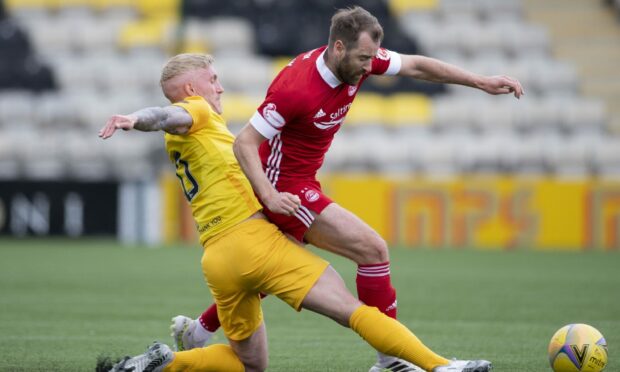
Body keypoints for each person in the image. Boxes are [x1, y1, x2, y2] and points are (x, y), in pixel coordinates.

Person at [173, 5, 523, 372]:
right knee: (371, 249)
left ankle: (199, 331)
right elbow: (245, 142)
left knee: (272, 268)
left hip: (302, 181)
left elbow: (417, 66)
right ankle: (391, 360)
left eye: (373, 57)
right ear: (338, 47)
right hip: (282, 186)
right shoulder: (296, 87)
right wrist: (272, 196)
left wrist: (480, 81)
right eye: (363, 58)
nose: (370, 67)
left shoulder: (363, 59)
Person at [98, 53, 492, 372]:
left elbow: (174, 125)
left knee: (249, 365)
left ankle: (163, 364)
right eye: (212, 78)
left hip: (217, 259)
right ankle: (438, 367)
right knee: (351, 308)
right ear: (190, 89)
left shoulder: (188, 142)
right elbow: (167, 115)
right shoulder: (194, 110)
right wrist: (135, 119)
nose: (219, 86)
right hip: (252, 242)